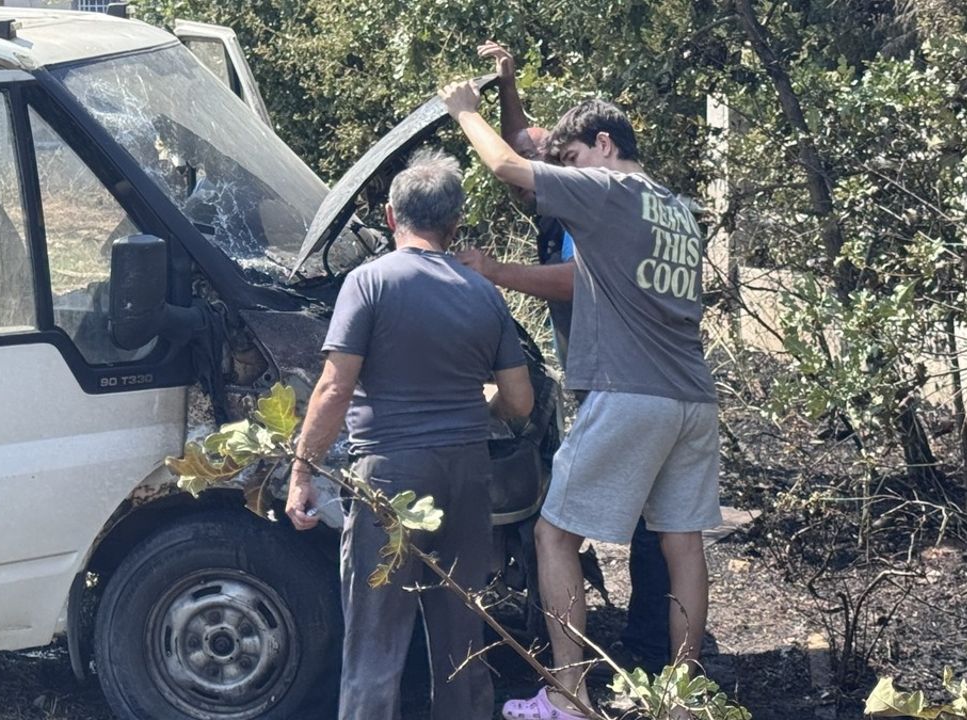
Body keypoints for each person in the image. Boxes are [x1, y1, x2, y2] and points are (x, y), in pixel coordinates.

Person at [440, 81, 722, 719]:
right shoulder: (677, 210)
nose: (566, 173)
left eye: (570, 159)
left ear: (604, 144)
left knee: (552, 534)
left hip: (629, 392)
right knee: (682, 543)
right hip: (693, 398)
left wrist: (465, 112)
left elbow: (507, 165)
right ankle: (680, 701)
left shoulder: (609, 190)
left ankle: (569, 697)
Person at [285, 148, 535, 720]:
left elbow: (334, 388)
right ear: (454, 225)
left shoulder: (368, 283)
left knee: (375, 641)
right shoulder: (485, 294)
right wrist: (477, 407)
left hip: (391, 477)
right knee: (461, 637)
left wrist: (302, 472)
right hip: (467, 474)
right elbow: (519, 401)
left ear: (392, 217)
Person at [459, 41, 675, 678]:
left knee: (583, 524)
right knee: (668, 521)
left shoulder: (593, 204)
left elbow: (578, 281)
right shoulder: (574, 202)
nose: (529, 183)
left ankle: (623, 655)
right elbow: (521, 148)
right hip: (636, 376)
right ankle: (665, 658)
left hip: (621, 376)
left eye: (559, 163)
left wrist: (495, 271)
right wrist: (507, 87)